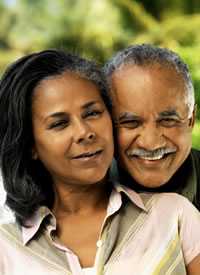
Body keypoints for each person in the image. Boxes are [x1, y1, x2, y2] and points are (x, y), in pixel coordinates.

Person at [0, 49, 200, 275]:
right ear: (30, 145)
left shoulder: (174, 214)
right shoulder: (7, 245)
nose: (84, 132)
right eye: (59, 124)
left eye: (92, 113)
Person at [104, 44, 200, 211]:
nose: (151, 143)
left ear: (191, 119)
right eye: (130, 123)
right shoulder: (80, 195)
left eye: (168, 120)